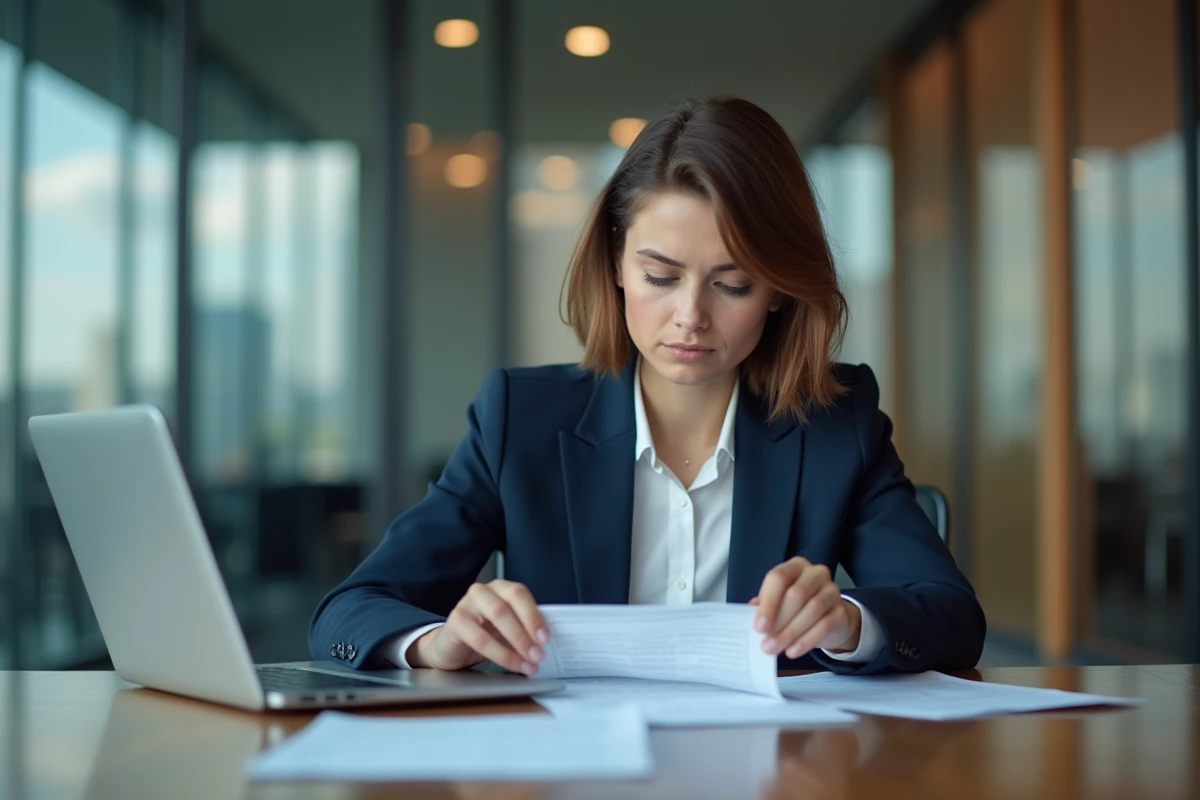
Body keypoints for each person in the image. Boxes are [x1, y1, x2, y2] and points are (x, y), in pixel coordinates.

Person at [309, 96, 985, 676]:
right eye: (661, 276)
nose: (690, 315)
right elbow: (350, 610)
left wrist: (845, 622)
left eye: (733, 284)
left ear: (779, 289)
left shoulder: (837, 423)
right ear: (616, 264)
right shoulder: (520, 419)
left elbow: (950, 615)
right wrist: (437, 642)